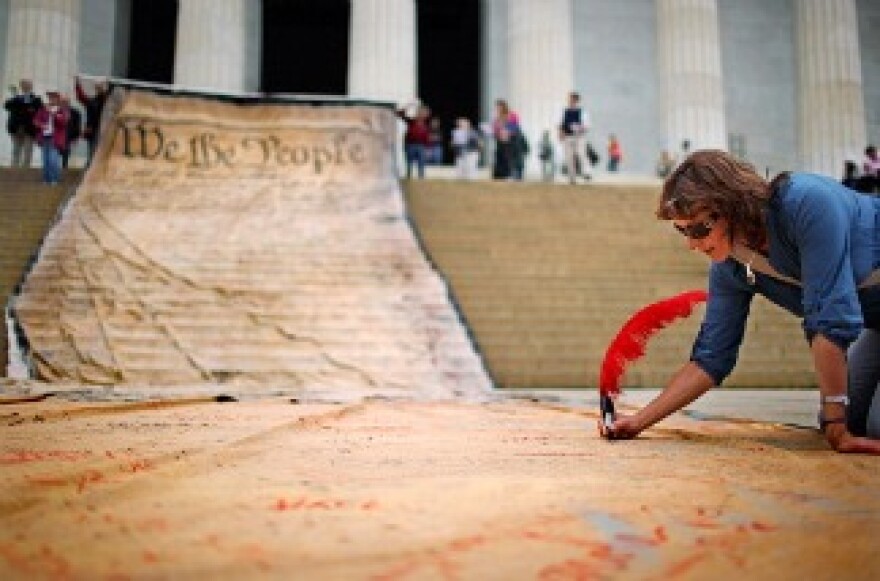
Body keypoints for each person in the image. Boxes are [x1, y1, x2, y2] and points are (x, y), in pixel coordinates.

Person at [599, 150, 880, 454]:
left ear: (731, 205)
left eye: (699, 229)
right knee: (852, 418)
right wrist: (638, 422)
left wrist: (836, 424)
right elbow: (710, 359)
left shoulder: (805, 203)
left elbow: (830, 320)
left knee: (855, 421)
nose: (692, 244)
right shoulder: (731, 266)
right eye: (683, 230)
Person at [4, 78, 43, 168]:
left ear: (31, 86)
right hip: (16, 128)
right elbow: (7, 106)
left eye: (27, 84)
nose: (25, 86)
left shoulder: (36, 99)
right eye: (23, 84)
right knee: (16, 149)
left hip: (29, 129)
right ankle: (14, 168)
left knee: (28, 150)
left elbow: (38, 110)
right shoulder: (16, 98)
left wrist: (25, 108)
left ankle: (25, 169)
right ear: (21, 86)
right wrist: (16, 98)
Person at [33, 90, 69, 185]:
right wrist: (41, 125)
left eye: (53, 97)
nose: (51, 99)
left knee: (53, 159)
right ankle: (46, 179)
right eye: (49, 97)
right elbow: (36, 120)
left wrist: (54, 114)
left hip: (55, 138)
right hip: (44, 137)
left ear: (58, 99)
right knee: (45, 159)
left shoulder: (62, 109)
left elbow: (64, 122)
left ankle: (54, 179)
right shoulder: (43, 109)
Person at [75, 76, 108, 165]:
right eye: (97, 87)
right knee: (92, 151)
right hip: (93, 130)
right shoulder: (92, 102)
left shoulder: (107, 101)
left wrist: (102, 86)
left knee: (98, 152)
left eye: (99, 87)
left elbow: (106, 97)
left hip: (103, 130)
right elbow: (81, 97)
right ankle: (90, 168)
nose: (97, 88)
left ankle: (93, 168)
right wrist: (77, 84)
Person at [559, 92, 590, 184]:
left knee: (581, 154)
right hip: (567, 136)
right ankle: (572, 177)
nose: (570, 101)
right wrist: (561, 133)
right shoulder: (564, 111)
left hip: (578, 136)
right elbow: (561, 123)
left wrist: (580, 128)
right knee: (568, 157)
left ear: (576, 100)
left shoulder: (582, 111)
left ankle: (586, 173)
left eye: (572, 99)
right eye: (569, 99)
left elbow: (587, 125)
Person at [397, 101, 431, 179]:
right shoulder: (411, 122)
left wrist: (428, 149)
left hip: (421, 146)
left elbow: (427, 138)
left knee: (421, 164)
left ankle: (421, 178)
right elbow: (399, 113)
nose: (421, 114)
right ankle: (409, 177)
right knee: (409, 163)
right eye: (419, 112)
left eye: (423, 113)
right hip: (410, 145)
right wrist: (409, 105)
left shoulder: (425, 125)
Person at [491, 99, 523, 181]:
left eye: (499, 107)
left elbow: (515, 126)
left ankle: (513, 175)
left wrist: (507, 132)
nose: (497, 109)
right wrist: (497, 132)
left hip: (512, 142)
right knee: (500, 157)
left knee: (512, 158)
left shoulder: (512, 115)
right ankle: (501, 175)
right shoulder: (497, 118)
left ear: (503, 106)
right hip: (501, 142)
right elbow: (495, 129)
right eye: (496, 107)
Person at [59, 94, 82, 169]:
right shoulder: (56, 111)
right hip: (57, 136)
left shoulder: (76, 113)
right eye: (62, 101)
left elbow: (77, 126)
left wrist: (76, 137)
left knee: (66, 152)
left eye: (66, 101)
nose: (64, 103)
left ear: (69, 102)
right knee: (55, 153)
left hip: (68, 136)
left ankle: (64, 168)